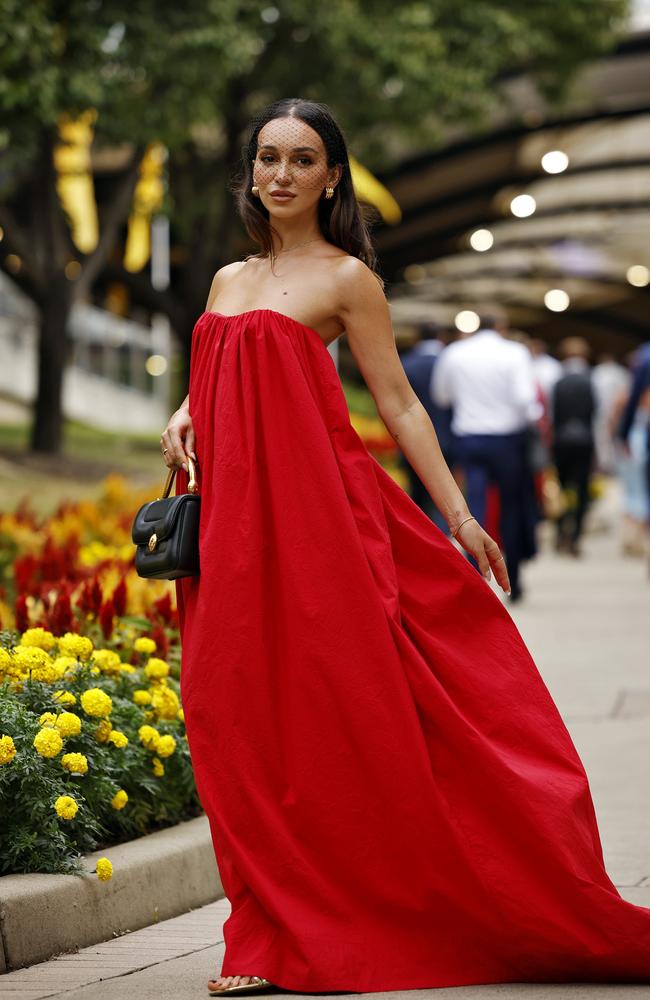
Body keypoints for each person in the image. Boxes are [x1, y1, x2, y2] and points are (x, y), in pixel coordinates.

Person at [161, 98, 650, 996]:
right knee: (232, 718)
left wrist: (460, 518)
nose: (280, 175)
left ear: (331, 176)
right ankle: (265, 919)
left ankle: (294, 933)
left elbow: (401, 405)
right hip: (231, 530)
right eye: (267, 158)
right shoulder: (227, 278)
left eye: (301, 160)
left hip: (320, 527)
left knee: (333, 714)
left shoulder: (349, 278)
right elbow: (214, 377)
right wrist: (186, 411)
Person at [432, 311, 543, 602]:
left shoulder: (455, 353)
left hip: (470, 438)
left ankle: (475, 580)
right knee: (512, 508)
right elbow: (525, 400)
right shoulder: (514, 352)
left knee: (474, 508)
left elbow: (441, 395)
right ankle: (514, 580)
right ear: (502, 327)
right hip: (507, 440)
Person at [398, 320, 455, 533]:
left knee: (418, 493)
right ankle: (444, 536)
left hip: (410, 437)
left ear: (416, 337)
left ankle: (422, 533)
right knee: (445, 493)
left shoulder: (404, 363)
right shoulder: (449, 362)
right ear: (440, 337)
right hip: (446, 437)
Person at [550, 337, 597, 557]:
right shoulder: (590, 381)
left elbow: (553, 415)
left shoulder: (558, 382)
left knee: (561, 487)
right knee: (581, 489)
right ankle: (576, 536)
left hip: (561, 441)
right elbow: (596, 414)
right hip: (584, 441)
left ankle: (560, 531)